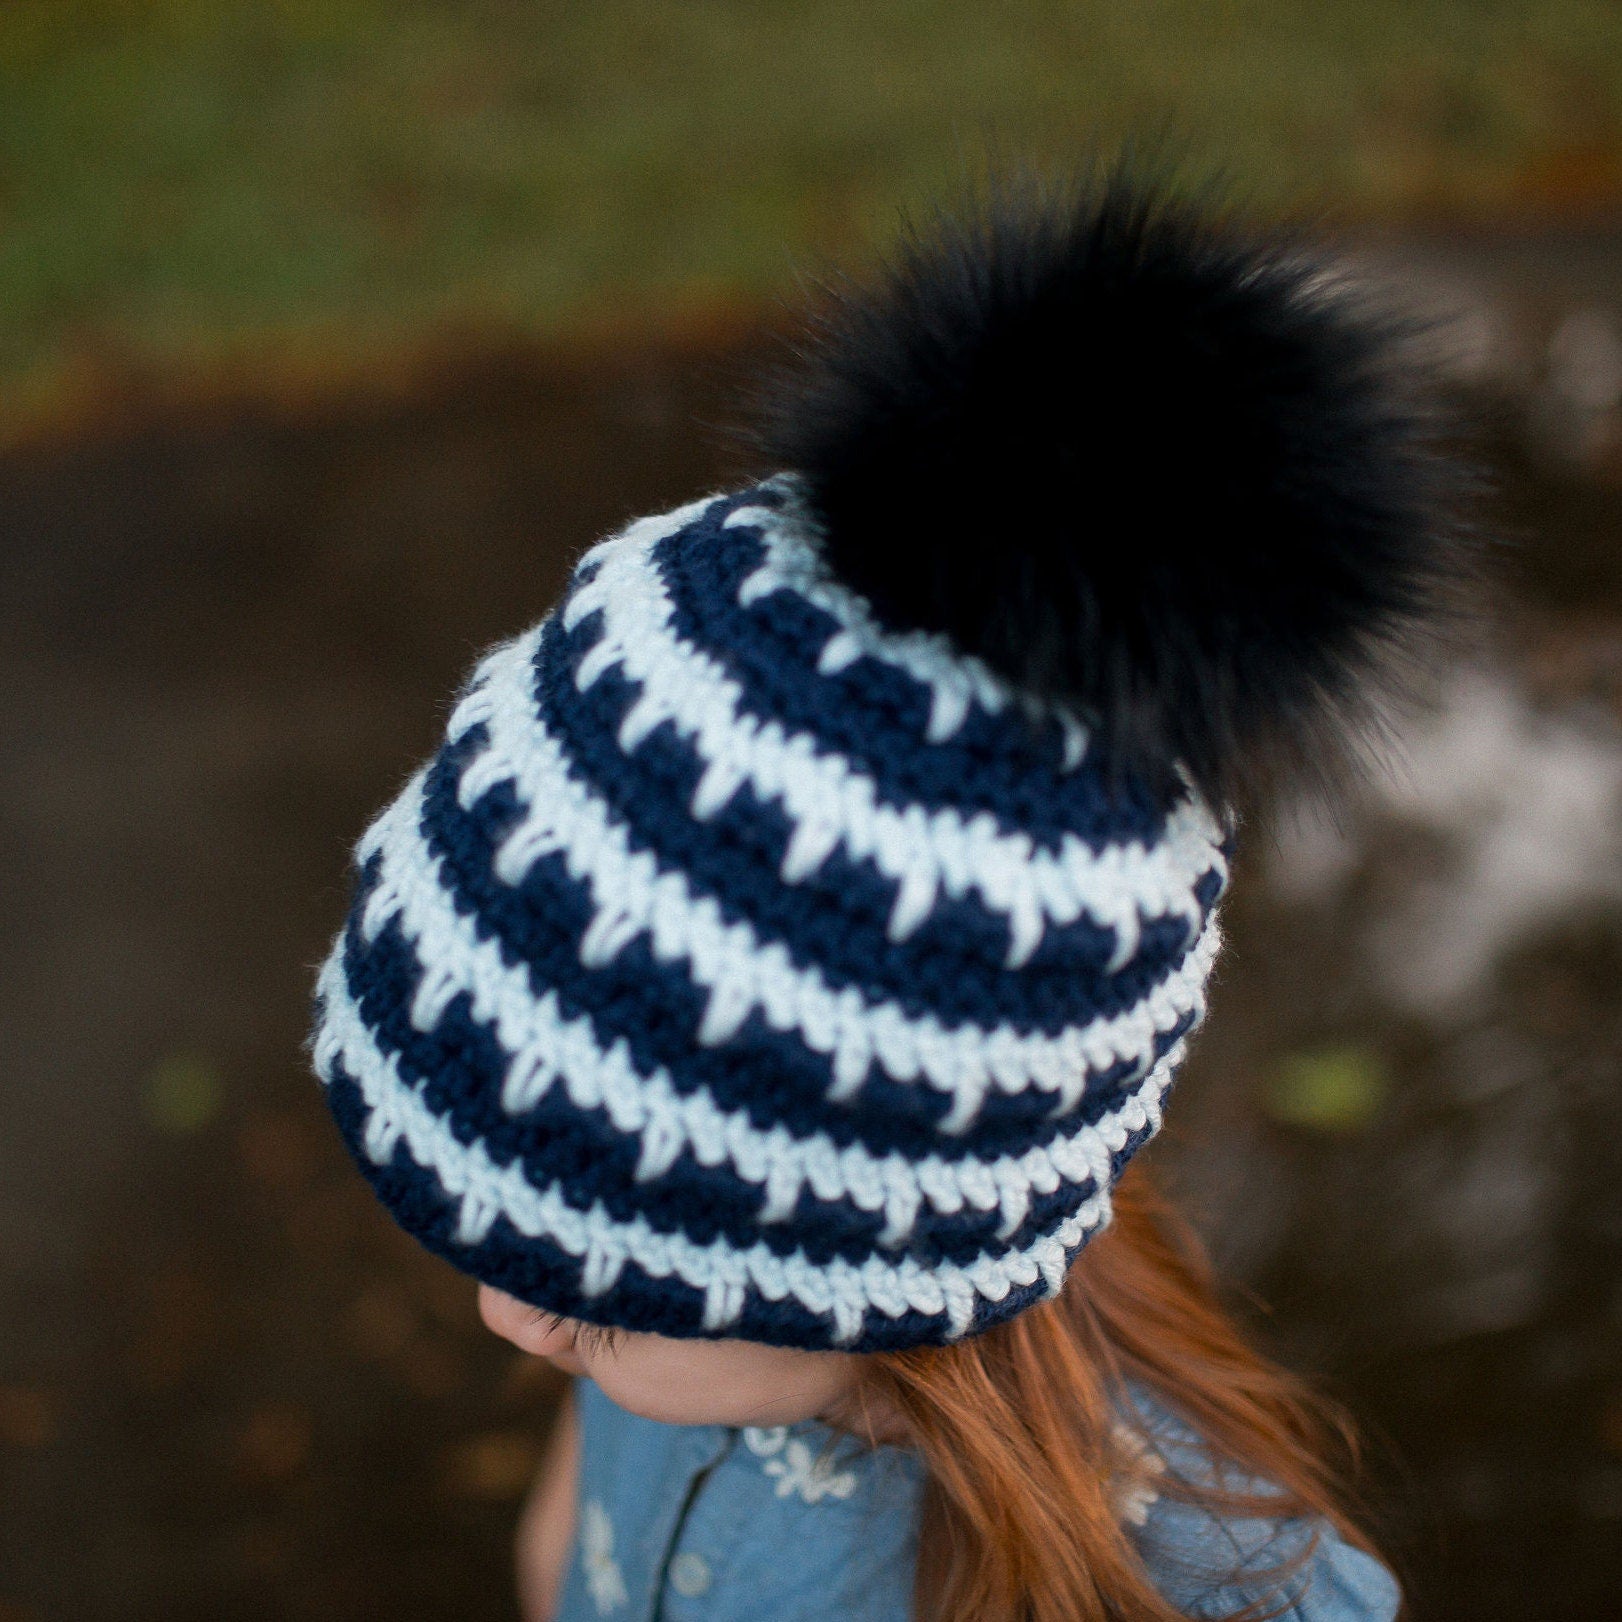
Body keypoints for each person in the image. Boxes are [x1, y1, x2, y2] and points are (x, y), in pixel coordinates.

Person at [310, 162, 1475, 1620]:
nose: (510, 1313)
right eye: (511, 1222)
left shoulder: (1207, 1587)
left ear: (883, 1228)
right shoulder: (671, 1310)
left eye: (583, 1277)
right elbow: (570, 1547)